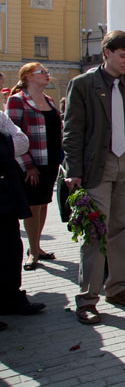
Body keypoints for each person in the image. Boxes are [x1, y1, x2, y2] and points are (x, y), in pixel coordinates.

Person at [63, 30, 125, 325]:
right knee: (95, 231)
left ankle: (117, 288)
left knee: (123, 228)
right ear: (107, 53)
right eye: (123, 57)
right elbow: (72, 130)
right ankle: (88, 299)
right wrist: (74, 170)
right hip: (96, 166)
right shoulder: (82, 85)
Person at [6, 63, 63, 271]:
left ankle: (37, 246)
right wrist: (28, 165)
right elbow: (13, 137)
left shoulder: (48, 100)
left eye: (48, 72)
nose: (48, 75)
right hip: (31, 165)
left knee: (43, 203)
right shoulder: (17, 100)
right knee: (32, 205)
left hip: (50, 161)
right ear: (28, 76)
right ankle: (32, 251)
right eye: (43, 72)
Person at [0, 110, 45, 319]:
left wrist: (4, 146)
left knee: (10, 246)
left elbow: (22, 142)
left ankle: (11, 298)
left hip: (4, 192)